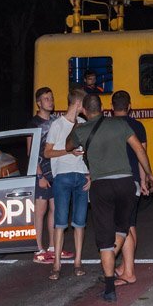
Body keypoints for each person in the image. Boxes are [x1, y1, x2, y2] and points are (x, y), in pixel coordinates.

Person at [70, 94, 153, 301]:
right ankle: (119, 262)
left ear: (85, 111)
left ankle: (109, 288)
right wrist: (149, 173)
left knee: (105, 238)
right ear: (103, 108)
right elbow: (139, 149)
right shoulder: (119, 125)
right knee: (122, 229)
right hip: (126, 183)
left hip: (101, 186)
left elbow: (68, 145)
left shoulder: (82, 129)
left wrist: (76, 121)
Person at [111, 90, 153, 286]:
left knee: (123, 226)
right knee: (129, 224)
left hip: (117, 181)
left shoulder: (109, 126)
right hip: (134, 181)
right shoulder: (138, 126)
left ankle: (128, 271)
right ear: (129, 106)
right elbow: (141, 154)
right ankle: (126, 267)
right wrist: (144, 178)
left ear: (112, 108)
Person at [44, 87, 89, 280]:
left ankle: (78, 262)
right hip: (62, 176)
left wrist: (91, 175)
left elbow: (91, 151)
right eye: (84, 104)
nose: (85, 108)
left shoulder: (84, 123)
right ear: (78, 104)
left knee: (80, 223)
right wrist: (67, 151)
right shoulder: (57, 125)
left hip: (82, 177)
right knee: (60, 223)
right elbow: (47, 153)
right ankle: (56, 264)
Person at [26, 87, 58, 263]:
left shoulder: (55, 121)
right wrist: (40, 176)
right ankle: (38, 249)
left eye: (51, 98)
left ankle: (53, 247)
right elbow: (30, 152)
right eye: (46, 99)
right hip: (41, 173)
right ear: (39, 102)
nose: (50, 101)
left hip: (55, 172)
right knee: (40, 211)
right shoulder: (33, 124)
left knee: (55, 209)